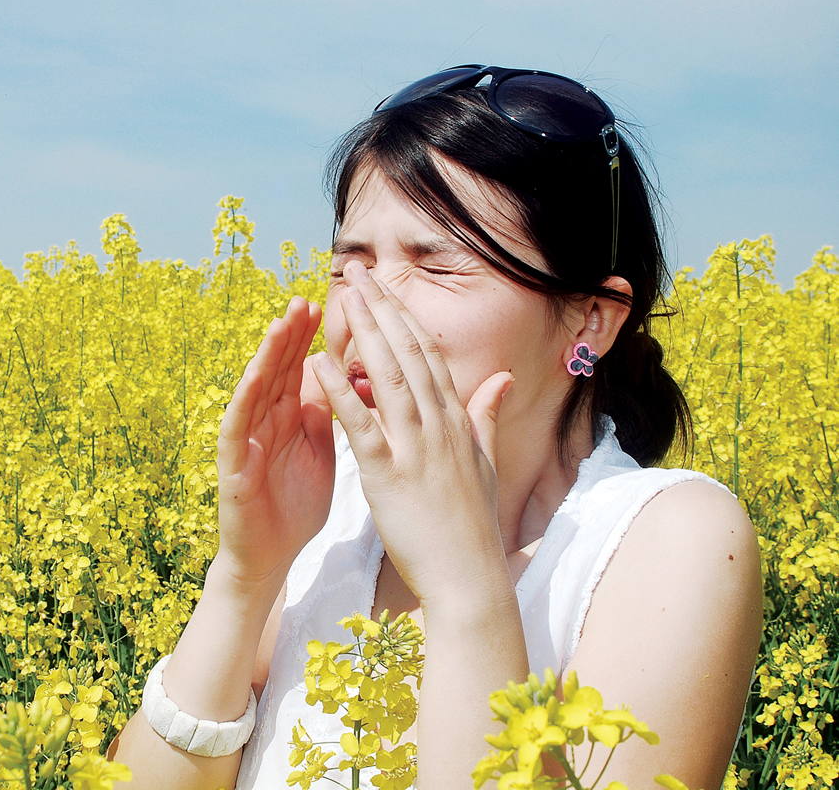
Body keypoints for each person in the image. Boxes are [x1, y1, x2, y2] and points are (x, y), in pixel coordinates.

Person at [109, 65, 763, 789]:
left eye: (437, 266)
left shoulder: (671, 536)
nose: (365, 306)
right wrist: (244, 576)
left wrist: (462, 585)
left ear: (590, 320)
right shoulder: (336, 513)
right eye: (347, 265)